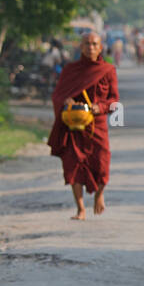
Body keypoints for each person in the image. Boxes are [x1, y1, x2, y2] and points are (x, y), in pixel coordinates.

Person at [47, 32, 119, 220]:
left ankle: (99, 194)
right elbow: (57, 95)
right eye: (87, 44)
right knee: (73, 163)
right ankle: (80, 208)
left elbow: (114, 100)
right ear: (81, 47)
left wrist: (100, 107)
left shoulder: (108, 70)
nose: (91, 48)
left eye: (94, 44)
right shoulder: (71, 70)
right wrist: (66, 101)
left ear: (101, 47)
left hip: (98, 123)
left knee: (102, 162)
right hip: (75, 123)